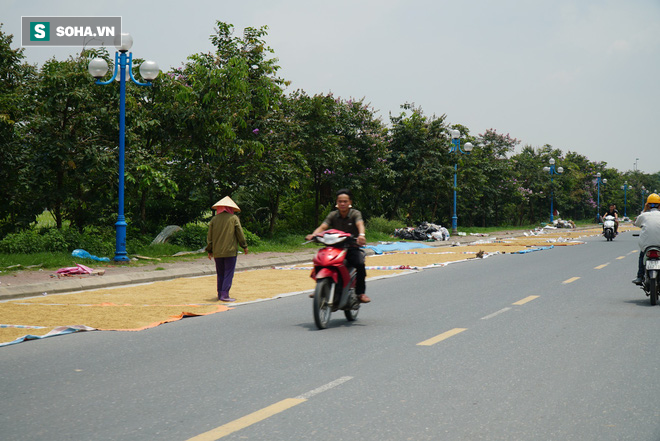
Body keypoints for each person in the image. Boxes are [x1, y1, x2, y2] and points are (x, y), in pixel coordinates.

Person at [306, 189, 371, 303]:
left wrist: (361, 235)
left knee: (360, 264)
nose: (342, 204)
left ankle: (360, 293)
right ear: (337, 202)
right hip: (334, 248)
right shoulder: (333, 215)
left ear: (350, 202)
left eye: (345, 201)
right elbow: (323, 227)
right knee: (320, 260)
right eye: (340, 201)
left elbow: (360, 224)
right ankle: (319, 288)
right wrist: (314, 235)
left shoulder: (355, 214)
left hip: (351, 247)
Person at [206, 196, 249, 302]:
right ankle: (225, 295)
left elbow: (209, 237)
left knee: (220, 273)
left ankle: (220, 293)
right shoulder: (233, 218)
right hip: (230, 251)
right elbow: (240, 234)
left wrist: (210, 250)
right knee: (228, 273)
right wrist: (244, 246)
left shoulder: (214, 219)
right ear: (230, 208)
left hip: (217, 252)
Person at [632, 194, 660, 286]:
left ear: (647, 205)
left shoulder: (644, 215)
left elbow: (636, 223)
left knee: (642, 255)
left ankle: (640, 276)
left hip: (646, 245)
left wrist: (644, 209)